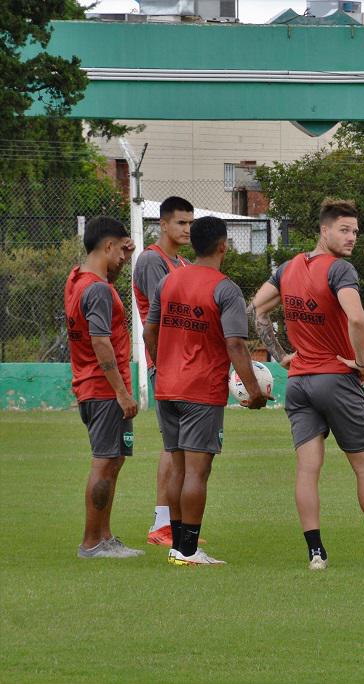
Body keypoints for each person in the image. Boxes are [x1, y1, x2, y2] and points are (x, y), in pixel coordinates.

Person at [250, 199, 364, 570]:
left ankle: (316, 553)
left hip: (300, 382)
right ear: (324, 230)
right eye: (344, 230)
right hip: (336, 379)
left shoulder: (288, 268)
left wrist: (279, 354)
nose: (352, 237)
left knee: (307, 469)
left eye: (354, 231)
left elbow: (256, 310)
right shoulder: (340, 270)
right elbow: (357, 319)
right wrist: (363, 362)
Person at [143, 216, 268, 566]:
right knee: (197, 472)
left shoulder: (168, 281)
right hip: (200, 391)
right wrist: (254, 391)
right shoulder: (225, 288)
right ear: (224, 245)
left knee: (178, 469)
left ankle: (177, 545)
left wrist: (162, 366)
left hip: (166, 388)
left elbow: (148, 333)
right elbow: (236, 346)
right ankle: (188, 550)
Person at [67, 217, 144, 559]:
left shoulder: (78, 280)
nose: (124, 258)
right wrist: (122, 392)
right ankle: (91, 543)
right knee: (104, 462)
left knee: (113, 461)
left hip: (92, 388)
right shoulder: (97, 289)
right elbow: (100, 341)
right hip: (103, 390)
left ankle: (105, 537)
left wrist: (124, 247)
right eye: (121, 250)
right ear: (108, 246)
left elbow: (107, 266)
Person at [133, 196, 194, 547]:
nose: (186, 229)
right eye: (180, 223)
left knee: (177, 448)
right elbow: (171, 312)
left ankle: (167, 522)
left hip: (185, 365)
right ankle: (163, 523)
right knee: (174, 448)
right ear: (164, 224)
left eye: (190, 223)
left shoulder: (182, 262)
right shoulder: (152, 261)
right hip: (167, 365)